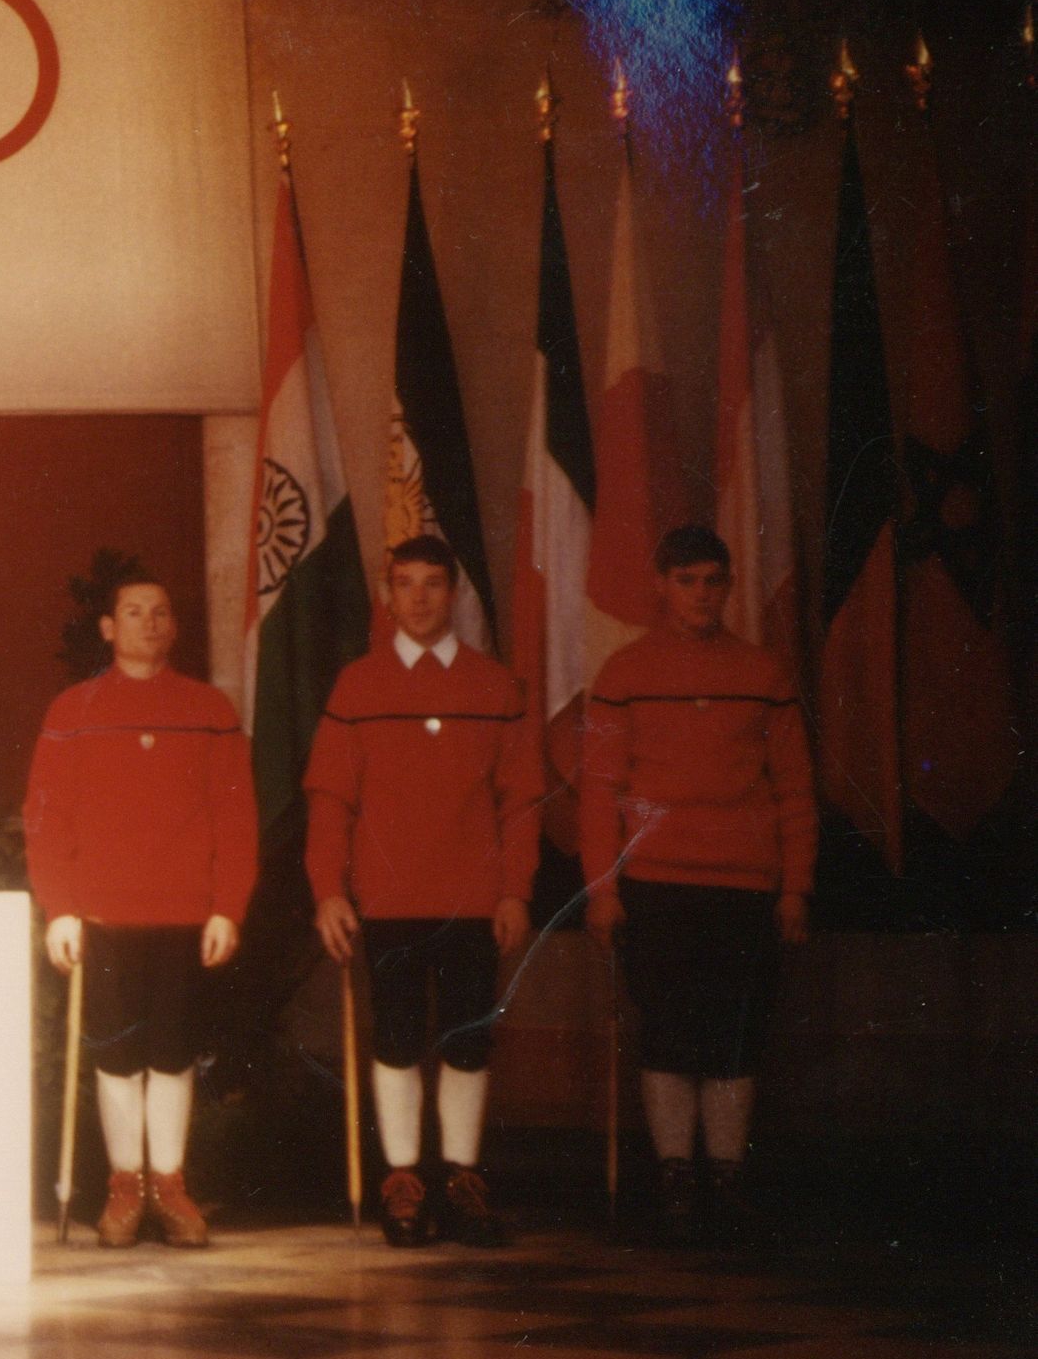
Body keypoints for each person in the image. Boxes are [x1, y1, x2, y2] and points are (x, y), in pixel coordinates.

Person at [305, 535, 541, 1247]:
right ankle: (403, 1178)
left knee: (469, 1039)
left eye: (433, 583)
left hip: (473, 900)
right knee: (399, 1039)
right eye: (404, 583)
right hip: (387, 899)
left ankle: (463, 1176)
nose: (418, 597)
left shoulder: (494, 686)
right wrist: (328, 890)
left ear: (453, 593)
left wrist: (515, 891)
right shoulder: (358, 685)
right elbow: (329, 800)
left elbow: (522, 800)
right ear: (388, 593)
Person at [581, 524, 814, 1245]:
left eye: (713, 580)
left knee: (736, 1036)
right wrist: (602, 887)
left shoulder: (764, 673)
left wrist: (795, 887)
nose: (700, 594)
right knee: (670, 1034)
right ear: (661, 584)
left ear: (729, 585)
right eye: (686, 580)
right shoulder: (623, 673)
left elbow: (795, 791)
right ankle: (676, 1172)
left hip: (746, 886)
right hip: (655, 881)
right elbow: (600, 791)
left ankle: (727, 1172)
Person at [25, 572, 256, 1247]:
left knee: (174, 1053)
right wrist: (60, 908)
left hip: (184, 915)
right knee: (118, 1055)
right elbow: (46, 818)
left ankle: (170, 1184)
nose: (148, 623)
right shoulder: (73, 709)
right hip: (101, 916)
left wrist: (227, 906)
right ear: (108, 627)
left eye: (160, 611)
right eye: (132, 611)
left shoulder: (209, 708)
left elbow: (235, 817)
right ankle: (124, 1186)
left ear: (174, 626)